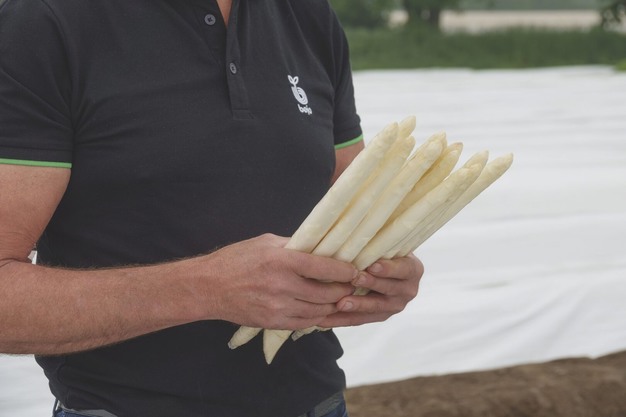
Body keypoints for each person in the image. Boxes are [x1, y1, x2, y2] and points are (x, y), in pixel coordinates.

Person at [0, 0, 424, 416]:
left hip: (318, 404)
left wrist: (379, 274)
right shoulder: (43, 19)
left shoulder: (308, 14)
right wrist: (207, 288)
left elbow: (354, 208)